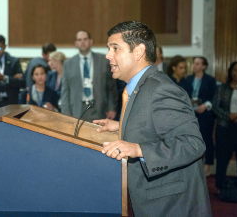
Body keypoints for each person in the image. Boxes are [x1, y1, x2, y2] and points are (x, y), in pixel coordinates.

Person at [94, 21, 211, 216]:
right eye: (108, 49)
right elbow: (153, 123)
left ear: (138, 51)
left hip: (172, 205)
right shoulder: (140, 86)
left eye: (115, 48)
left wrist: (138, 149)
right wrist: (121, 126)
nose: (108, 55)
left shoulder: (160, 89)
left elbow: (193, 144)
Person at [61, 30, 117, 122]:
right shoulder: (68, 64)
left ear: (91, 41)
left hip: (99, 107)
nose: (82, 42)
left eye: (85, 39)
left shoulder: (104, 61)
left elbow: (111, 87)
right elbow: (65, 91)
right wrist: (66, 112)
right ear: (76, 43)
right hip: (77, 109)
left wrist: (112, 108)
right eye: (79, 40)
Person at [212, 61, 237, 192]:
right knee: (222, 157)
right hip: (224, 126)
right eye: (235, 70)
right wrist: (228, 115)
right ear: (230, 71)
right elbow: (215, 106)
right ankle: (220, 186)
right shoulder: (222, 88)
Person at [186, 57, 217, 176]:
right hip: (190, 114)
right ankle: (192, 165)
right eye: (194, 63)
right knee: (191, 139)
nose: (195, 66)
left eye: (198, 64)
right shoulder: (188, 79)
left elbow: (214, 96)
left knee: (207, 139)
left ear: (204, 66)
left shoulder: (210, 80)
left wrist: (205, 105)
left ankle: (207, 165)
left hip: (205, 114)